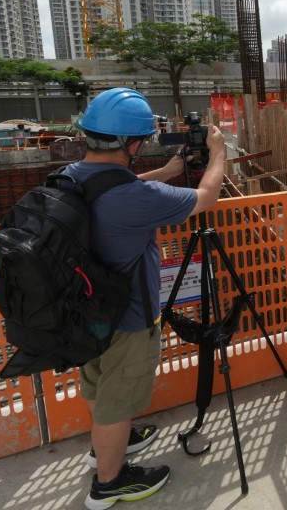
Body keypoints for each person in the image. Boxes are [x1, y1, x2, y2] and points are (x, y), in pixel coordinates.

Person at [64, 88, 225, 510]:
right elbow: (207, 196)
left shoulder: (71, 175)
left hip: (85, 309)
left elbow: (119, 186)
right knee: (118, 400)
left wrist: (169, 171)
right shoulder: (136, 199)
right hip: (128, 317)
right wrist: (218, 153)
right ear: (131, 144)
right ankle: (109, 482)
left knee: (99, 382)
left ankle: (105, 446)